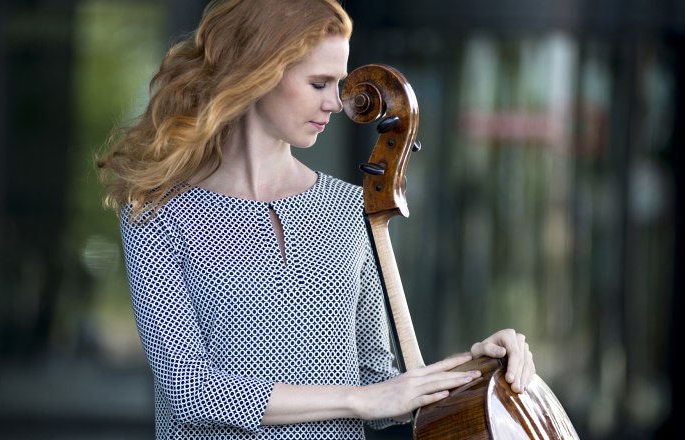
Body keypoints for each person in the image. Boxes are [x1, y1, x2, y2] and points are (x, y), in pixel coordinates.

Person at [97, 0, 535, 438]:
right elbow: (190, 389)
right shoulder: (158, 211)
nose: (336, 103)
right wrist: (356, 400)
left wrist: (479, 368)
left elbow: (380, 385)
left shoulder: (349, 208)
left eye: (339, 84)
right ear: (259, 73)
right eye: (319, 83)